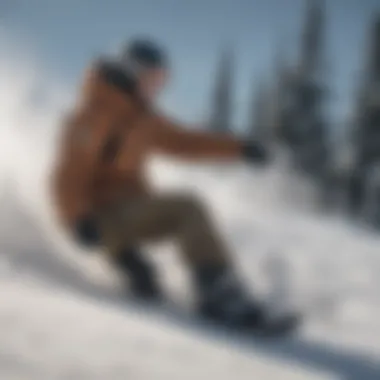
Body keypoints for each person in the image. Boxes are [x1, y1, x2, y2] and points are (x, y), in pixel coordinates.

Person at [51, 37, 291, 331]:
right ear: (131, 71)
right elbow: (68, 175)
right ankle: (218, 293)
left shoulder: (142, 117)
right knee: (187, 208)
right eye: (152, 79)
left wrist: (239, 149)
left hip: (126, 216)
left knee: (160, 255)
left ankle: (137, 263)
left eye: (162, 80)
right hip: (100, 220)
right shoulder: (93, 115)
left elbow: (185, 142)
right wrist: (77, 220)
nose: (157, 87)